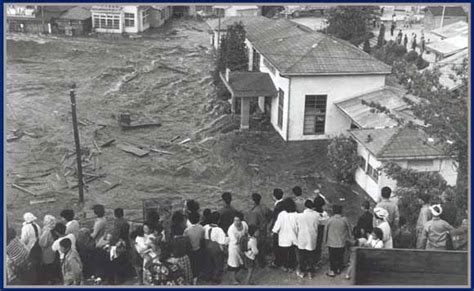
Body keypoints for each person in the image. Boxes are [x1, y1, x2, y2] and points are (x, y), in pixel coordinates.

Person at [324, 205, 351, 277]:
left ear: (333, 211)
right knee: (340, 256)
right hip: (341, 242)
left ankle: (332, 271)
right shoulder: (345, 220)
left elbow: (325, 231)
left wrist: (325, 241)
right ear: (341, 211)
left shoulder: (330, 220)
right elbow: (349, 230)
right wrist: (350, 238)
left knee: (332, 257)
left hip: (331, 243)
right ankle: (339, 268)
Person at [246, 193, 272, 267]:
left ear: (253, 201)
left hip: (257, 231)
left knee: (258, 247)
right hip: (264, 229)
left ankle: (261, 263)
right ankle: (265, 259)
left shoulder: (252, 212)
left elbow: (252, 224)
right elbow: (270, 215)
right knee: (263, 244)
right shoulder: (264, 207)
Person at [272, 198, 298, 272]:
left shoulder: (282, 214)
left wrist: (274, 231)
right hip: (293, 236)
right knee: (292, 252)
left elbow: (277, 225)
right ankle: (292, 266)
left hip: (284, 237)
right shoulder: (296, 214)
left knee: (284, 253)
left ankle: (285, 265)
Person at [295, 200, 319, 279]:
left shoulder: (299, 216)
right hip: (311, 237)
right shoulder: (316, 215)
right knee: (311, 255)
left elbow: (297, 227)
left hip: (302, 237)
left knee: (302, 255)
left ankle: (302, 271)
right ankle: (310, 272)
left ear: (305, 206)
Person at [203, 211, 228, 284]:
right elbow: (222, 243)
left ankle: (208, 276)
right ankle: (216, 278)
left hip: (207, 246)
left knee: (210, 262)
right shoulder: (219, 230)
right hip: (215, 249)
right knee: (219, 264)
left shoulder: (205, 227)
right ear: (219, 220)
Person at [169, 215, 193, 285]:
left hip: (174, 259)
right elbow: (190, 248)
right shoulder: (185, 239)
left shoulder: (171, 240)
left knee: (177, 275)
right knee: (187, 275)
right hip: (184, 258)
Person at [183, 211, 204, 285]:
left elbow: (185, 241)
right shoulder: (201, 228)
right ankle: (196, 278)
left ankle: (192, 278)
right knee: (197, 264)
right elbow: (202, 239)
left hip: (190, 251)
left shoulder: (187, 230)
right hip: (198, 249)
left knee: (191, 265)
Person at [38, 214, 60, 284]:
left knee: (48, 268)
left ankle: (50, 281)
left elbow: (42, 243)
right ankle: (54, 278)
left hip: (47, 253)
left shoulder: (47, 232)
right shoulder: (55, 229)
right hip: (54, 252)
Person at [227, 212, 248, 284]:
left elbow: (246, 233)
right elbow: (235, 241)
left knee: (242, 260)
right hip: (234, 248)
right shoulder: (231, 229)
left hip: (242, 246)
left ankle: (242, 267)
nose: (236, 222)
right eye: (234, 220)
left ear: (241, 220)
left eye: (238, 220)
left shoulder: (244, 224)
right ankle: (233, 279)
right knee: (233, 264)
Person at [270, 188, 285, 268]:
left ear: (274, 197)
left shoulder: (277, 207)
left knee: (276, 246)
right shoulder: (284, 203)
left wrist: (272, 230)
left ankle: (278, 262)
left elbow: (275, 220)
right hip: (285, 227)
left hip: (278, 228)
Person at [313, 195, 329, 267]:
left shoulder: (313, 214)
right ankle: (317, 259)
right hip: (321, 231)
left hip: (314, 230)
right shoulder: (325, 214)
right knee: (318, 245)